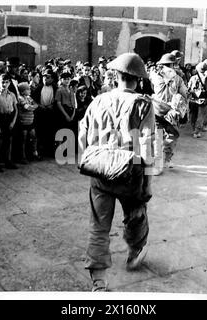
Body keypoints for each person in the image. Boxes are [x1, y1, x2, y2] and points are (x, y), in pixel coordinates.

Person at [78, 53, 155, 292]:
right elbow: (149, 145)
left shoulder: (98, 100)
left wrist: (90, 160)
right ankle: (134, 251)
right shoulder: (143, 104)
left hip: (100, 172)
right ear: (138, 79)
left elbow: (82, 135)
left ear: (116, 76)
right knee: (136, 214)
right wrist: (148, 182)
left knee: (99, 226)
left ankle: (99, 281)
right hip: (130, 173)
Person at [150, 53, 188, 173]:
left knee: (158, 137)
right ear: (172, 65)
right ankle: (166, 158)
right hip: (170, 112)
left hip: (156, 110)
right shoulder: (178, 78)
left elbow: (150, 88)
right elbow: (185, 94)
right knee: (173, 135)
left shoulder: (154, 76)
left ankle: (158, 164)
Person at [0, 74, 18, 170]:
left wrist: (13, 122)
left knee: (9, 140)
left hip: (9, 118)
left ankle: (8, 161)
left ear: (9, 83)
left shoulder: (12, 95)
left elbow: (16, 109)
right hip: (0, 119)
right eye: (2, 82)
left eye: (6, 82)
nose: (4, 84)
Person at [188, 61, 207, 138]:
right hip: (203, 100)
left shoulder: (193, 78)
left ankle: (194, 129)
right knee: (201, 116)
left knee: (193, 114)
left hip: (193, 99)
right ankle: (197, 132)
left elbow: (188, 88)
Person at [17, 82, 40, 164]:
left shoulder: (29, 97)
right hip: (23, 122)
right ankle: (23, 156)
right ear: (23, 91)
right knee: (23, 140)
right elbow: (27, 107)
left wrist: (32, 107)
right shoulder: (20, 98)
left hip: (30, 122)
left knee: (33, 137)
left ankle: (34, 153)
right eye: (28, 89)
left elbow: (36, 105)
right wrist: (32, 107)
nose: (30, 90)